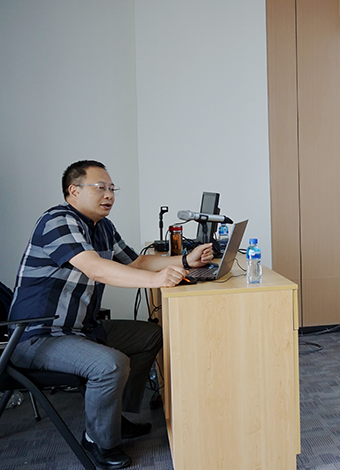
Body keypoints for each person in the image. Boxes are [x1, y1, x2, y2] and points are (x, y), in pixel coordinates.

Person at [8, 160, 213, 469]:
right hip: (38, 336)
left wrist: (186, 261)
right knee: (110, 364)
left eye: (112, 188)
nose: (109, 195)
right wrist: (157, 279)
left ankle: (113, 418)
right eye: (100, 188)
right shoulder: (58, 221)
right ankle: (98, 441)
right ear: (74, 191)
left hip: (81, 329)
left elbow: (137, 263)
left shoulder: (102, 227)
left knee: (149, 336)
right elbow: (95, 268)